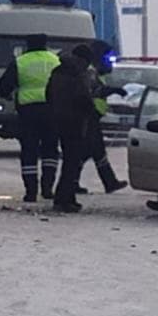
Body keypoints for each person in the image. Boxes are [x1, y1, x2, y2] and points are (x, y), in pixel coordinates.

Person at [0, 33, 60, 201]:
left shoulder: (20, 62)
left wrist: (9, 95)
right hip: (52, 110)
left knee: (29, 150)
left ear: (27, 45)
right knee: (50, 150)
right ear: (45, 45)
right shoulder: (54, 61)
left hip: (28, 112)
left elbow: (3, 87)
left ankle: (31, 192)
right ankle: (48, 189)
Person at [46, 44, 97, 213]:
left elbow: (48, 94)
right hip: (74, 123)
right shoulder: (77, 75)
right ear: (82, 60)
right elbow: (83, 97)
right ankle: (64, 199)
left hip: (57, 120)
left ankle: (66, 197)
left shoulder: (57, 72)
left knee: (69, 161)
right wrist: (92, 111)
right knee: (72, 162)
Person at [84, 41, 130, 194]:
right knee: (94, 150)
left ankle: (109, 182)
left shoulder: (94, 70)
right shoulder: (90, 71)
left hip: (92, 114)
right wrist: (114, 90)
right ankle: (109, 182)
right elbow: (96, 90)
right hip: (89, 114)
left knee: (92, 152)